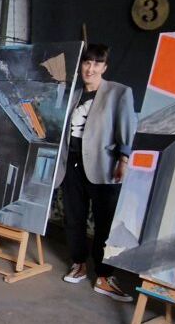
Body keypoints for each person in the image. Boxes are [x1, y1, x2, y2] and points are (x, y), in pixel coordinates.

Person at [55, 43, 137, 302]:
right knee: (74, 217)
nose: (90, 69)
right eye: (86, 63)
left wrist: (123, 159)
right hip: (72, 163)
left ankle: (104, 275)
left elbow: (127, 126)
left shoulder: (118, 93)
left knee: (105, 222)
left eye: (96, 64)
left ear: (104, 67)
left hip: (104, 165)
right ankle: (78, 263)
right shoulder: (74, 94)